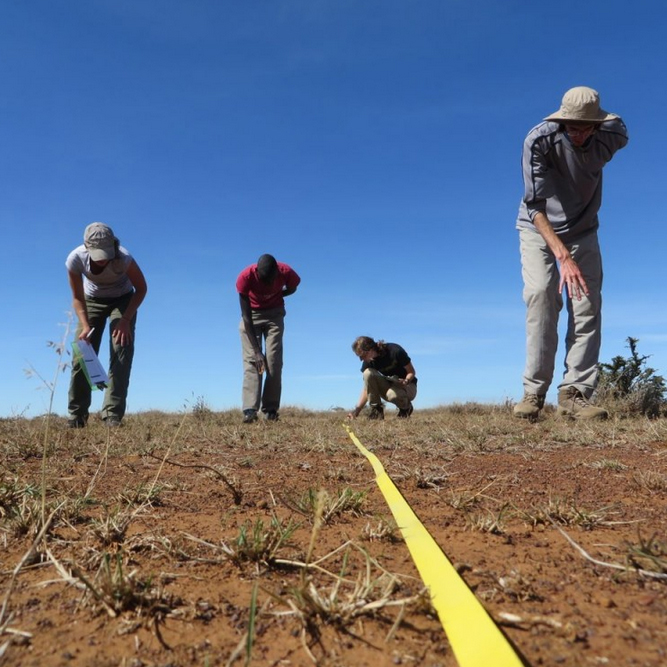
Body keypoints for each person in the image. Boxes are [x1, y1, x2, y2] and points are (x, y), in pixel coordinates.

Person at [514, 86, 628, 420]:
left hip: (584, 230)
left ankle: (575, 393)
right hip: (538, 228)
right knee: (541, 296)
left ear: (597, 124)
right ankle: (533, 394)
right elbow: (534, 205)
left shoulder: (612, 136)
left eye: (584, 127)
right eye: (570, 126)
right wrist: (562, 256)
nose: (577, 134)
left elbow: (620, 124)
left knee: (587, 304)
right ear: (560, 121)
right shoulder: (539, 141)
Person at [66, 222, 148, 427]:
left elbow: (141, 288)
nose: (103, 259)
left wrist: (125, 321)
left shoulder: (124, 257)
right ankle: (77, 415)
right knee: (82, 353)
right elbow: (77, 298)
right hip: (92, 301)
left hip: (123, 300)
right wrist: (85, 325)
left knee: (121, 348)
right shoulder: (75, 259)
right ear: (87, 247)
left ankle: (112, 415)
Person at [237, 254, 301, 423]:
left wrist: (279, 296)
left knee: (274, 361)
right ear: (257, 272)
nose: (269, 285)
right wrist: (258, 352)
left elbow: (293, 288)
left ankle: (271, 410)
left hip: (275, 315)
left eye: (272, 280)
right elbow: (246, 317)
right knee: (253, 361)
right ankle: (250, 410)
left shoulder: (286, 271)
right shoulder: (245, 277)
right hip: (252, 317)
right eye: (265, 281)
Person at [348, 336, 417, 420]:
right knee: (368, 373)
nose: (361, 359)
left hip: (408, 385)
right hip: (390, 386)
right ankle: (377, 411)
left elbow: (411, 372)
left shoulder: (395, 350)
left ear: (370, 350)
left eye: (362, 356)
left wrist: (406, 381)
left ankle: (406, 409)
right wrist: (356, 411)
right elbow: (367, 388)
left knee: (392, 394)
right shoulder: (369, 362)